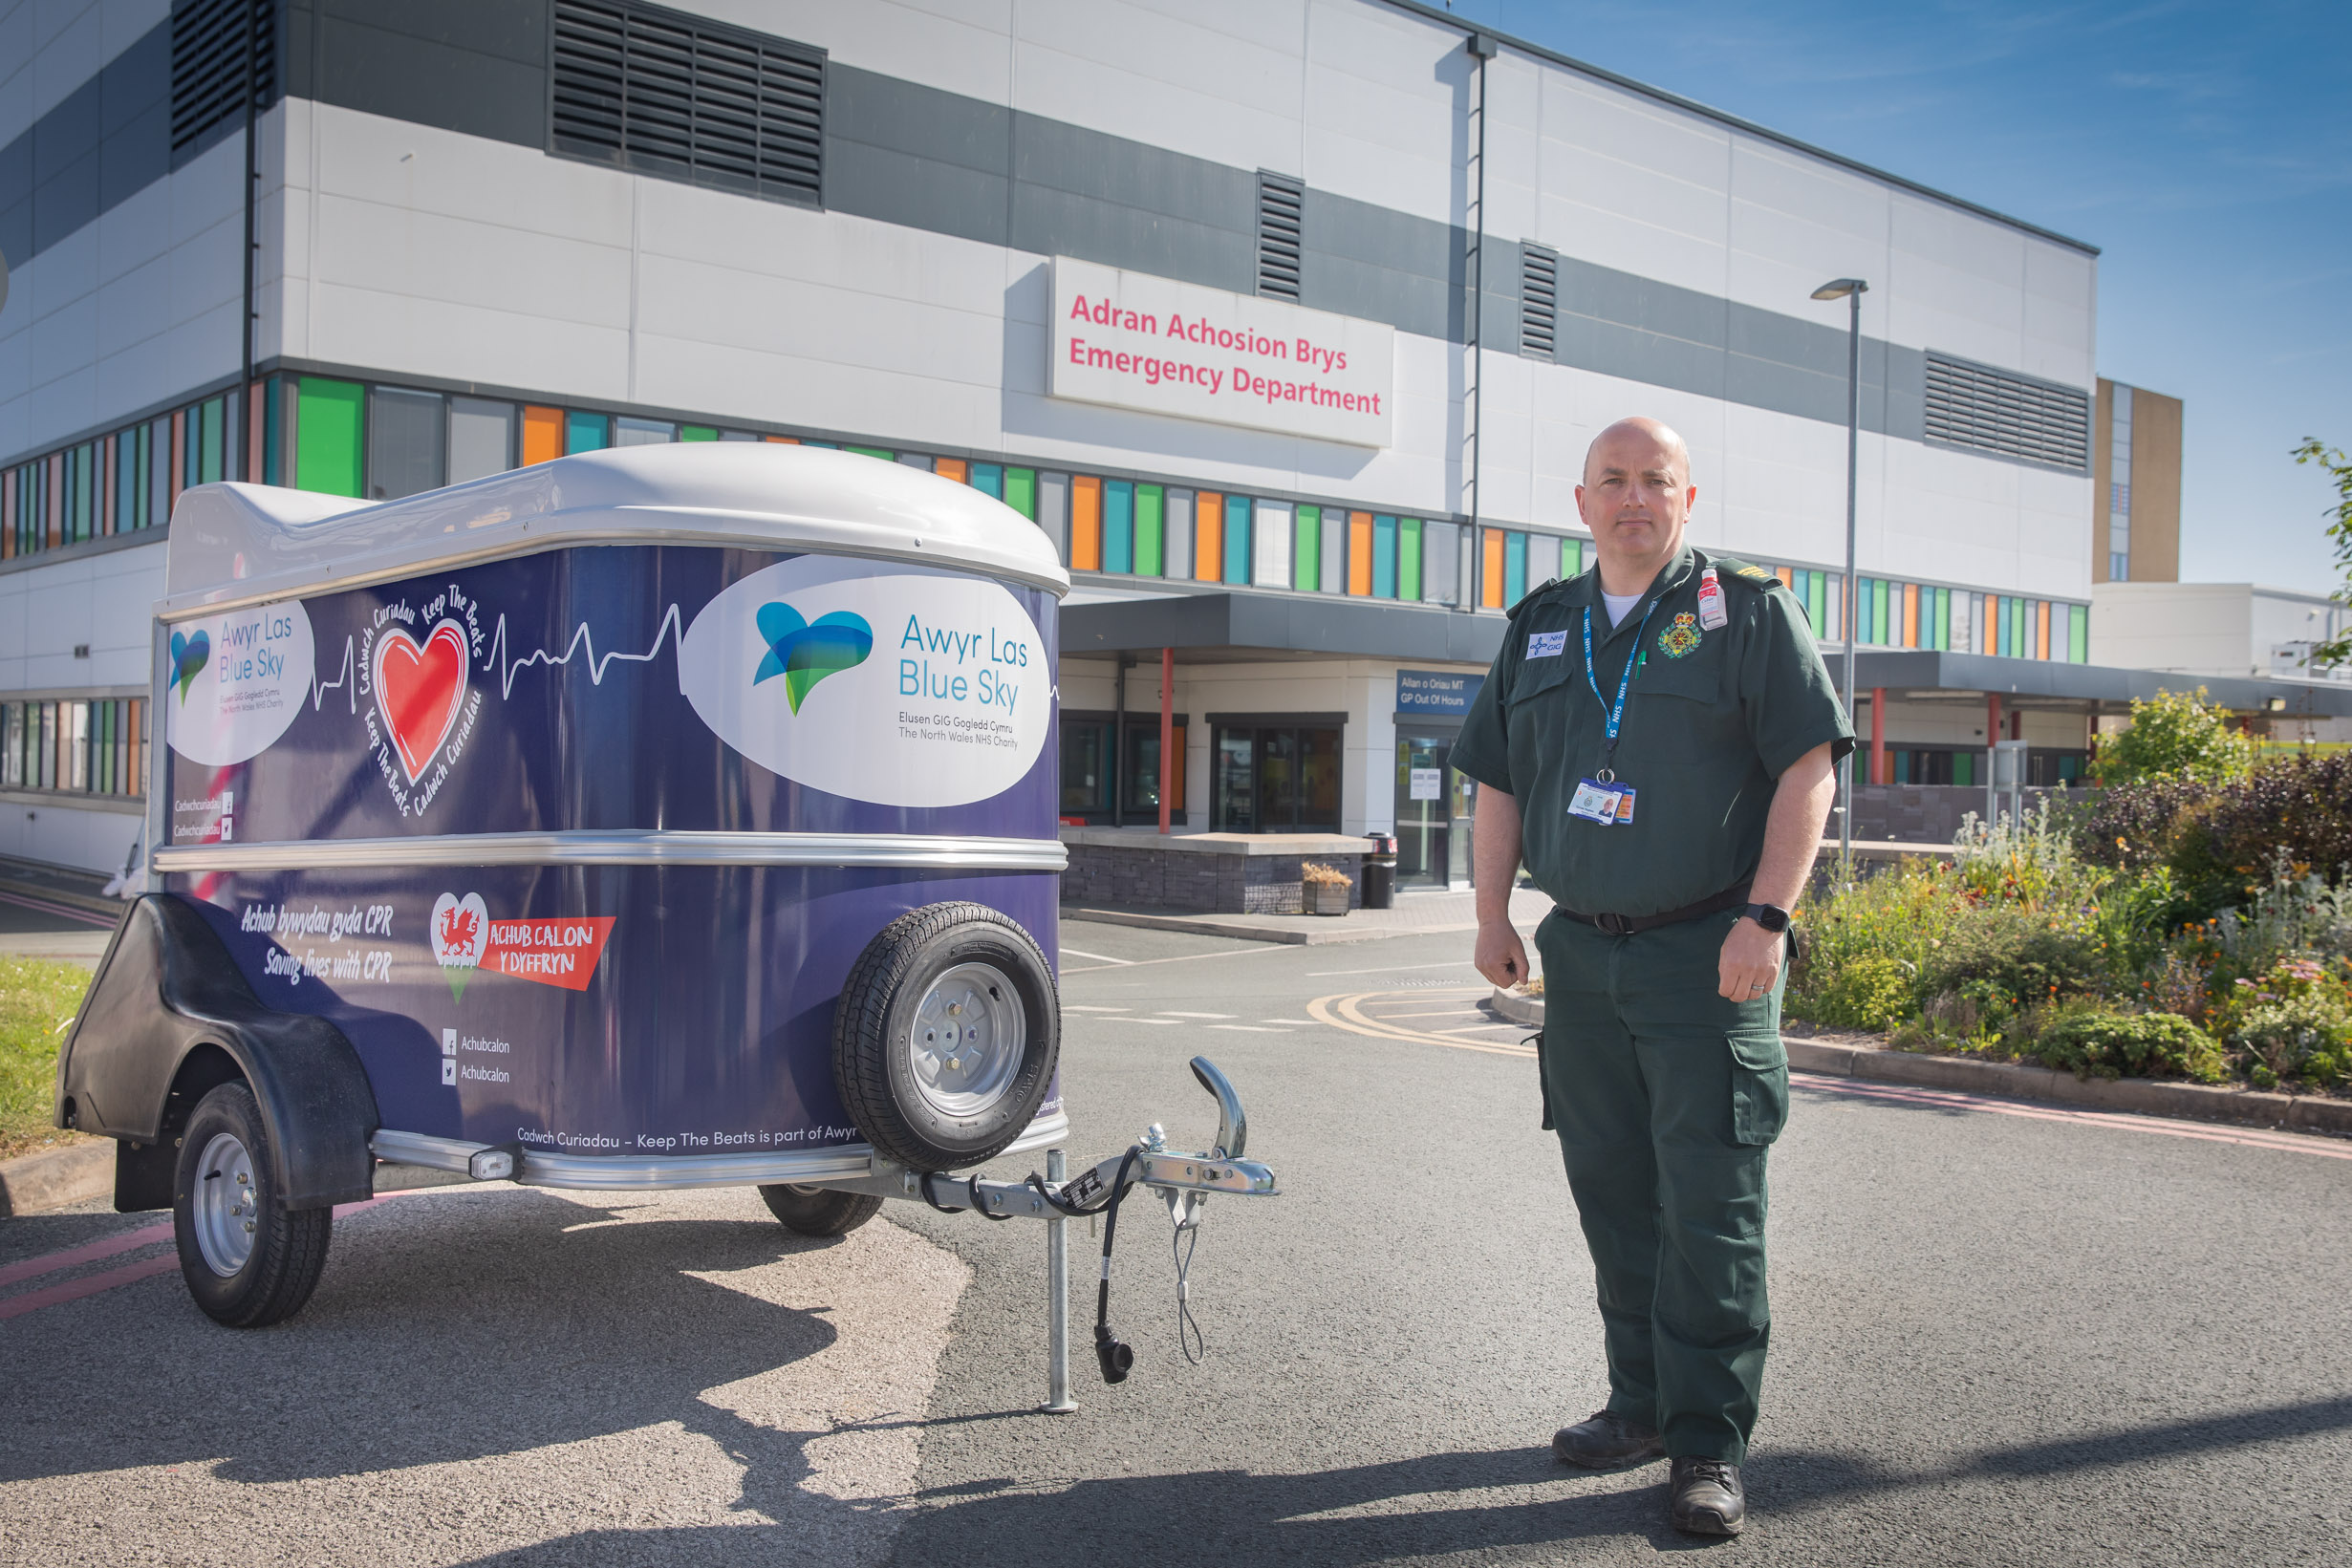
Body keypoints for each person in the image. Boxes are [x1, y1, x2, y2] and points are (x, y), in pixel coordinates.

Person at [1450, 417, 1851, 1536]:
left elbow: (1805, 768)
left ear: (1688, 499)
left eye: (1655, 482)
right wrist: (1493, 911)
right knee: (1615, 1198)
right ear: (1581, 502)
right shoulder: (1540, 626)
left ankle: (1706, 1445)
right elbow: (1496, 783)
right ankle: (1636, 1406)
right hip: (1581, 953)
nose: (1634, 499)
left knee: (1711, 1211)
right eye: (1613, 482)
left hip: (1704, 957)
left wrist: (1766, 916)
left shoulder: (1748, 616)